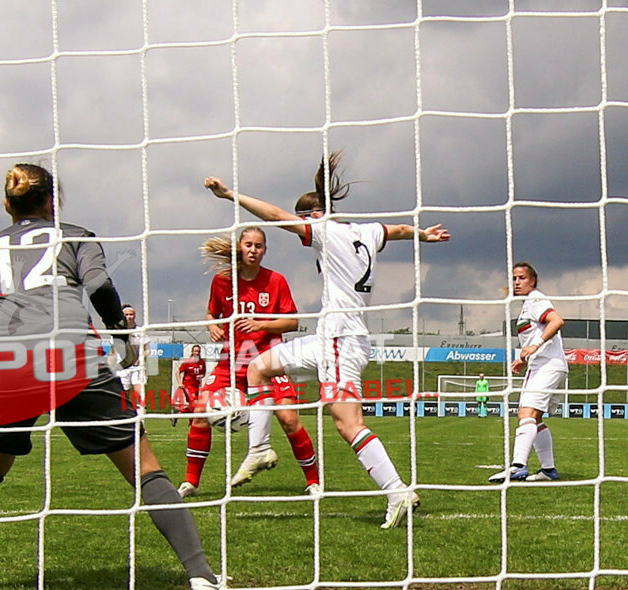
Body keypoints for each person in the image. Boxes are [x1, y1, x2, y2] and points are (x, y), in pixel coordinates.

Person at [0, 163, 239, 590]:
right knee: (144, 468)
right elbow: (100, 284)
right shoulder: (75, 234)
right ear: (53, 201)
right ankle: (201, 577)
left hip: (1, 359)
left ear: (8, 204)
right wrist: (122, 337)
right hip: (66, 352)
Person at [204, 150, 450, 528]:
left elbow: (274, 215)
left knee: (347, 424)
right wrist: (423, 235)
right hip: (330, 338)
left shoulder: (324, 230)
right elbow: (397, 231)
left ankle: (397, 490)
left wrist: (230, 194)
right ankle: (259, 448)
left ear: (313, 216)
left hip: (339, 340)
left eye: (304, 218)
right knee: (257, 368)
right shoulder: (366, 231)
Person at [177, 227, 321, 498]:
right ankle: (190, 482)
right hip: (231, 360)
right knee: (199, 413)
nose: (253, 250)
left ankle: (313, 482)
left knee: (289, 419)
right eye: (248, 245)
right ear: (239, 247)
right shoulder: (223, 281)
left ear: (265, 250)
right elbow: (212, 311)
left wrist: (260, 323)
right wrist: (213, 326)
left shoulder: (276, 280)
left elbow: (292, 321)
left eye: (259, 246)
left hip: (268, 361)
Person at [488, 262, 567, 482]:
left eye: (521, 278)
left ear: (533, 280)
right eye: (514, 278)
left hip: (547, 365)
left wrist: (535, 346)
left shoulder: (535, 299)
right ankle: (548, 470)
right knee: (537, 419)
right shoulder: (528, 304)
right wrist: (525, 357)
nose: (516, 282)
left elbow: (557, 321)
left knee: (526, 414)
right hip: (547, 364)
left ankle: (518, 466)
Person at [110, 303, 150, 403]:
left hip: (137, 367)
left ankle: (140, 414)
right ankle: (126, 413)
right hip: (122, 367)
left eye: (131, 314)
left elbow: (147, 349)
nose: (129, 317)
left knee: (139, 391)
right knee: (124, 393)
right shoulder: (117, 332)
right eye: (126, 314)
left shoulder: (140, 331)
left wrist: (140, 359)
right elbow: (112, 352)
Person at [172, 344, 206, 426]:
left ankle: (178, 414)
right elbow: (178, 372)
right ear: (192, 352)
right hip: (187, 385)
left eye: (198, 351)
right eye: (195, 351)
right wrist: (180, 382)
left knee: (194, 405)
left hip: (196, 386)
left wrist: (202, 376)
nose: (197, 353)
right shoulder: (187, 362)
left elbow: (203, 373)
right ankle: (192, 422)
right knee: (193, 403)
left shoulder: (202, 362)